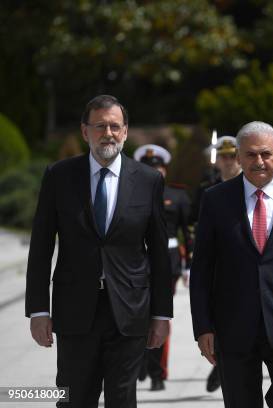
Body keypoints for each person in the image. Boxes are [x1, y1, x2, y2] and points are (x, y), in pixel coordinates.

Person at [25, 95, 173, 407]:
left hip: (130, 311)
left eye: (115, 126)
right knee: (73, 398)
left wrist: (161, 313)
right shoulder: (59, 177)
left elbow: (159, 253)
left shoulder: (148, 181)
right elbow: (40, 247)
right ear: (85, 131)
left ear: (126, 131)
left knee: (122, 399)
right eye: (100, 126)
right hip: (75, 310)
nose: (108, 133)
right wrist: (39, 310)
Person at [189, 121, 273, 408]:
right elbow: (202, 268)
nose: (259, 161)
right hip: (233, 324)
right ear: (238, 157)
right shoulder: (215, 200)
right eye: (251, 155)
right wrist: (203, 327)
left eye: (266, 154)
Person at [134, 144, 193, 391]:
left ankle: (158, 372)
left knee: (159, 316)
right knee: (136, 316)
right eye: (148, 168)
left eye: (158, 167)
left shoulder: (177, 196)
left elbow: (187, 233)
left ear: (165, 169)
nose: (154, 172)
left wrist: (189, 265)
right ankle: (139, 364)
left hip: (167, 262)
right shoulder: (131, 194)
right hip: (136, 262)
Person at [189, 135, 242, 393]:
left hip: (240, 259)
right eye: (224, 157)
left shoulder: (250, 184)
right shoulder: (206, 188)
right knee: (216, 313)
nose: (229, 162)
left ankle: (224, 363)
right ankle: (221, 360)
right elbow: (193, 224)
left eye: (233, 156)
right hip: (214, 258)